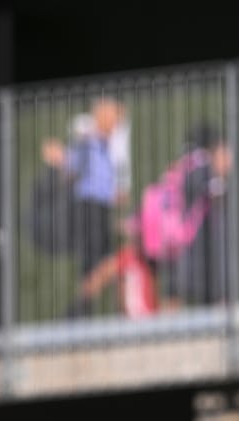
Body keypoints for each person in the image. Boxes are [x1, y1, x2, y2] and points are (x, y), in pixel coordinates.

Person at [43, 98, 126, 315]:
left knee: (103, 264)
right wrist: (60, 157)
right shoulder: (88, 141)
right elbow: (71, 165)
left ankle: (82, 310)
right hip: (89, 209)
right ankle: (79, 311)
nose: (119, 120)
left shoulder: (103, 143)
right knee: (107, 262)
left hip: (98, 207)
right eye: (116, 115)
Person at [172, 125, 233, 306]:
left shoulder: (188, 167)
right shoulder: (202, 169)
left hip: (193, 248)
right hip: (200, 249)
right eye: (225, 151)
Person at [67, 217, 158, 319]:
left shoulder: (148, 258)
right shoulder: (127, 257)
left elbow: (100, 276)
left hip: (146, 322)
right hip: (136, 322)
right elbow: (101, 275)